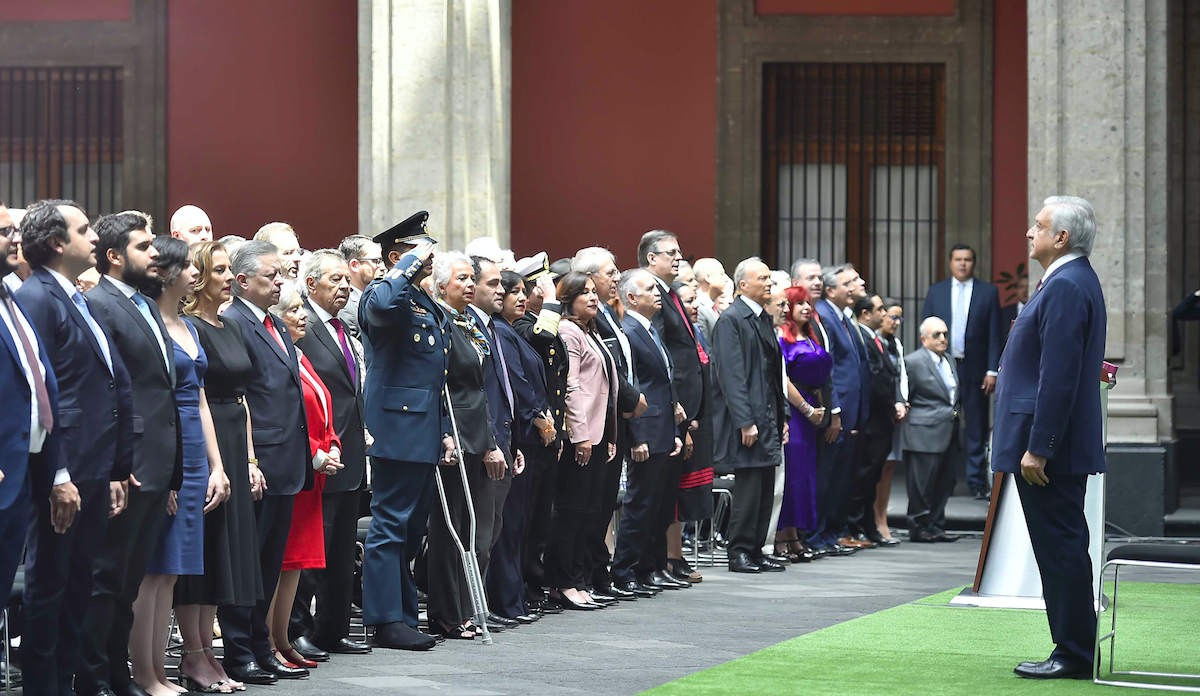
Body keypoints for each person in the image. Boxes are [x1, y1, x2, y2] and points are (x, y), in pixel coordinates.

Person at [14, 200, 133, 696]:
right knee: (50, 586)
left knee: (78, 586)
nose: (93, 238)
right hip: (62, 467)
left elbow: (104, 383)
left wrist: (114, 469)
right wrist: (58, 473)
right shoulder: (38, 297)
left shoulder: (74, 297)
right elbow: (36, 393)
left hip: (93, 464)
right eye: (84, 230)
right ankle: (44, 686)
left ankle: (65, 682)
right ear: (58, 243)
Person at [998, 196, 1106, 680]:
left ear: (1060, 237)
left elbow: (1057, 374)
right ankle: (1072, 648)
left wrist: (1040, 446)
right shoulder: (1070, 279)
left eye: (1037, 226)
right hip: (1053, 442)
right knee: (1061, 545)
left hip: (1048, 449)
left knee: (1060, 547)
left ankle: (1073, 654)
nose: (1028, 232)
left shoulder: (1065, 283)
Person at [77, 211, 183, 696]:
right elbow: (102, 394)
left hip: (157, 463)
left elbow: (161, 390)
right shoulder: (98, 304)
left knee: (129, 581)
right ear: (115, 256)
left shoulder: (144, 304)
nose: (156, 253)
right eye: (144, 247)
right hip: (129, 464)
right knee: (106, 580)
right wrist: (121, 462)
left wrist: (174, 469)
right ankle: (94, 678)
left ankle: (118, 676)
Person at [132, 237, 230, 696]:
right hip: (166, 447)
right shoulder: (147, 319)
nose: (197, 271)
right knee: (152, 568)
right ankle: (144, 672)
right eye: (188, 266)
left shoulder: (188, 326)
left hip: (194, 448)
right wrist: (167, 467)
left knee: (173, 569)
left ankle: (161, 671)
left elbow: (203, 401)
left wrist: (217, 464)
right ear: (166, 272)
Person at [219, 240, 313, 684]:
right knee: (249, 563)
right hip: (260, 461)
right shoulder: (233, 321)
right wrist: (251, 458)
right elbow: (242, 398)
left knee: (269, 563)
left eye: (280, 275)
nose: (281, 281)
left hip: (287, 457)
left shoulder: (273, 321)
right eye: (271, 276)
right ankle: (239, 650)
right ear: (242, 281)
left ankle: (262, 645)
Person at [357, 211, 450, 651]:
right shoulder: (384, 292)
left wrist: (445, 429)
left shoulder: (420, 298)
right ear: (396, 256)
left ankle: (404, 614)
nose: (428, 257)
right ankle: (385, 618)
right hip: (395, 427)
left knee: (412, 529)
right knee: (390, 525)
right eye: (419, 250)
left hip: (423, 426)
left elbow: (436, 375)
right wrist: (403, 266)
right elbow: (379, 309)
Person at [177, 241, 262, 693]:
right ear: (202, 277)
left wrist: (248, 458)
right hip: (207, 441)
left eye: (232, 269)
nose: (230, 278)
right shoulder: (190, 326)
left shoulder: (228, 324)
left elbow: (242, 398)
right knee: (204, 552)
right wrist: (217, 462)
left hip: (233, 435)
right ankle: (193, 654)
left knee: (225, 554)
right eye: (221, 270)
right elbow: (202, 398)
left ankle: (210, 654)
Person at [289, 250, 372, 658]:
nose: (344, 287)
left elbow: (350, 394)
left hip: (350, 452)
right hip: (321, 456)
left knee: (340, 554)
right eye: (334, 280)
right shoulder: (302, 324)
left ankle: (334, 629)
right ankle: (298, 628)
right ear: (310, 285)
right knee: (311, 552)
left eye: (346, 280)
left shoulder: (342, 329)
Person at [267, 284, 343, 671]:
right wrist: (315, 452)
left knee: (297, 562)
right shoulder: (279, 357)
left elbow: (323, 408)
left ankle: (281, 639)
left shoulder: (300, 355)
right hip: (295, 467)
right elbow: (285, 415)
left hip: (315, 470)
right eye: (294, 309)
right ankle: (270, 640)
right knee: (283, 560)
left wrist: (332, 445)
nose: (304, 316)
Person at [0, 209, 62, 682]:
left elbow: (36, 383)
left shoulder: (10, 297)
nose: (14, 239)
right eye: (4, 232)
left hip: (25, 467)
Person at [424, 252, 495, 639]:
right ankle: (447, 613)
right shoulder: (440, 322)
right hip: (453, 432)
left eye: (472, 278)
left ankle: (468, 608)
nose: (470, 284)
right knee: (449, 527)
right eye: (462, 279)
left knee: (470, 525)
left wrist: (493, 440)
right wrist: (445, 433)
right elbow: (439, 386)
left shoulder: (470, 323)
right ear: (441, 285)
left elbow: (484, 385)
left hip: (477, 431)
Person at [571, 247, 645, 599]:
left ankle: (598, 574)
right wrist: (632, 399)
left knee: (601, 506)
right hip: (594, 424)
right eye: (610, 272)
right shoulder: (585, 319)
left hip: (613, 423)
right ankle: (586, 575)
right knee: (589, 506)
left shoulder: (607, 315)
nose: (616, 277)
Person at [545, 271, 618, 610]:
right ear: (567, 298)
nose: (593, 297)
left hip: (600, 433)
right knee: (571, 511)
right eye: (584, 293)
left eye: (594, 292)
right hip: (582, 435)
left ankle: (580, 578)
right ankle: (564, 582)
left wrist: (611, 435)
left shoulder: (591, 330)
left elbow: (607, 387)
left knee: (590, 511)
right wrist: (581, 435)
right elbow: (571, 387)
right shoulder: (568, 331)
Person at [638, 231, 707, 588]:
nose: (679, 257)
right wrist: (676, 402)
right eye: (672, 252)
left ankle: (666, 559)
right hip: (667, 406)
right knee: (657, 492)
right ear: (652, 258)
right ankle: (658, 560)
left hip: (682, 405)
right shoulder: (653, 296)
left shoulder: (669, 292)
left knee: (669, 491)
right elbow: (662, 356)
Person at [711, 258, 788, 574]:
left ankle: (756, 549)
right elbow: (732, 375)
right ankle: (739, 551)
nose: (769, 284)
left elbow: (771, 373)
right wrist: (745, 420)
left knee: (765, 485)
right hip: (749, 419)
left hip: (767, 414)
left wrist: (780, 419)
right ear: (743, 284)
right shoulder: (732, 319)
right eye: (763, 278)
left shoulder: (760, 318)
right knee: (748, 486)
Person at [486, 270, 552, 623]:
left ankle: (515, 598)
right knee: (509, 524)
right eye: (513, 292)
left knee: (520, 522)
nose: (520, 297)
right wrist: (538, 418)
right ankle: (505, 601)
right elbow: (517, 382)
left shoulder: (511, 330)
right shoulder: (499, 331)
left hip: (528, 432)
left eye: (523, 291)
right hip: (522, 430)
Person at [612, 268, 683, 595]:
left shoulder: (651, 330)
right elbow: (632, 389)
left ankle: (652, 567)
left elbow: (663, 381)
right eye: (649, 289)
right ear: (631, 298)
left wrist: (676, 425)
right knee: (640, 504)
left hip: (664, 428)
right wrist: (636, 436)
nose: (657, 293)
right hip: (646, 430)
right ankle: (626, 571)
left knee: (660, 505)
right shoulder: (628, 331)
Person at [466, 256, 526, 630]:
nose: (501, 289)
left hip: (503, 440)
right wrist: (491, 442)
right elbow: (475, 394)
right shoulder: (468, 326)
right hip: (483, 444)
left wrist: (512, 440)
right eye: (492, 283)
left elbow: (502, 391)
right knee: (479, 533)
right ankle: (468, 610)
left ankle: (478, 607)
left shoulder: (489, 327)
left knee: (493, 529)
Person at [510, 255, 569, 615]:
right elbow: (541, 336)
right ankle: (526, 587)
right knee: (528, 517)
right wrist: (549, 304)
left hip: (549, 431)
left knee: (540, 517)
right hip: (531, 433)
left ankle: (534, 583)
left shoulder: (540, 321)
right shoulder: (520, 326)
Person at [922, 244, 1003, 500]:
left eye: (967, 259)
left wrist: (992, 370)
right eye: (958, 259)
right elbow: (926, 330)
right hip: (943, 365)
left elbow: (995, 334)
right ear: (950, 262)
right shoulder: (937, 291)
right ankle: (943, 481)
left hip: (975, 369)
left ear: (973, 263)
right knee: (943, 423)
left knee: (977, 426)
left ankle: (976, 482)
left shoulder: (988, 292)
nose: (963, 264)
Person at [807, 264, 866, 556]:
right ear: (833, 291)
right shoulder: (826, 316)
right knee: (828, 475)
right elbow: (831, 369)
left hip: (851, 411)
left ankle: (832, 532)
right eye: (850, 281)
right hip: (836, 411)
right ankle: (820, 533)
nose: (858, 284)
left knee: (842, 477)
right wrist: (836, 410)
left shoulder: (843, 316)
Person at [774, 285, 829, 562]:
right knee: (791, 474)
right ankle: (781, 536)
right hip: (793, 410)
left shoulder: (811, 336)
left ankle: (795, 535)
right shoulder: (782, 338)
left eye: (808, 303)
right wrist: (807, 409)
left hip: (811, 408)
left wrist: (818, 405)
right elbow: (783, 379)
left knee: (804, 474)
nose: (807, 307)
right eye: (799, 303)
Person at [847, 294, 904, 546]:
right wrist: (892, 408)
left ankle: (868, 526)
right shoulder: (862, 338)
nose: (884, 314)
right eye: (880, 309)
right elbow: (875, 380)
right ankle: (856, 525)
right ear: (865, 314)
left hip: (882, 420)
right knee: (865, 475)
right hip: (872, 419)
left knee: (873, 477)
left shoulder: (877, 339)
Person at [902, 317, 961, 544]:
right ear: (923, 339)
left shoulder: (949, 361)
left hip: (949, 429)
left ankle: (936, 525)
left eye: (945, 334)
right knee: (922, 485)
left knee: (944, 482)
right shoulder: (914, 362)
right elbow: (907, 396)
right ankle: (918, 527)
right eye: (936, 335)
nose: (942, 339)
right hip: (923, 431)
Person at [875, 299, 908, 542]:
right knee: (876, 467)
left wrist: (903, 402)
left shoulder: (896, 344)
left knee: (890, 467)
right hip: (880, 411)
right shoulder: (873, 340)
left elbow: (901, 376)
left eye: (900, 318)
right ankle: (875, 520)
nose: (896, 322)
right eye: (893, 317)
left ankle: (883, 518)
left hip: (896, 412)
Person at [336, 234, 383, 338]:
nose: (383, 267)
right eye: (376, 261)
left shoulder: (379, 296)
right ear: (354, 265)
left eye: (382, 260)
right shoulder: (346, 306)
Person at [692, 257, 726, 339]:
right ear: (708, 277)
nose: (725, 279)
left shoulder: (713, 306)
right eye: (721, 274)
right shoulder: (698, 306)